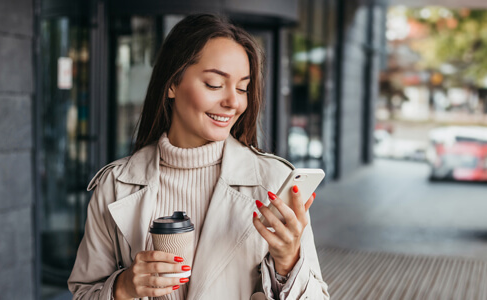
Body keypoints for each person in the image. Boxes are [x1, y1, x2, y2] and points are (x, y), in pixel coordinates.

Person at [68, 13, 329, 300]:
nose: (233, 101)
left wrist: (289, 263)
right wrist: (122, 287)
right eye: (215, 84)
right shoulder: (114, 185)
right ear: (172, 84)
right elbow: (83, 292)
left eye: (243, 87)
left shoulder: (274, 182)